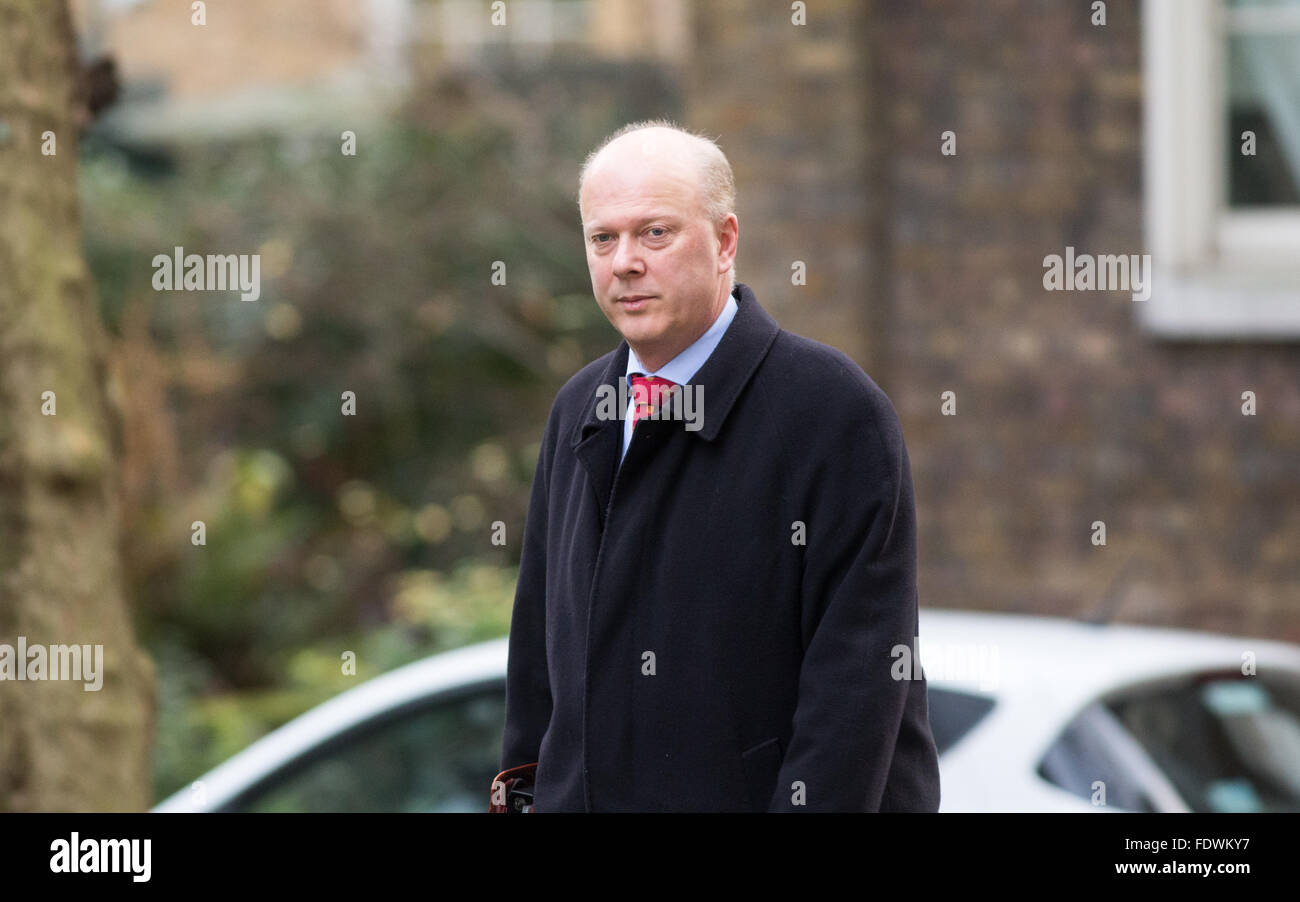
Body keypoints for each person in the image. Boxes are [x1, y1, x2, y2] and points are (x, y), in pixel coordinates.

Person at [499, 119, 940, 812]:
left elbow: (853, 701)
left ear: (726, 241)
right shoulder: (579, 407)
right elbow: (535, 670)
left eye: (655, 233)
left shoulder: (832, 413)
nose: (624, 262)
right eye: (602, 238)